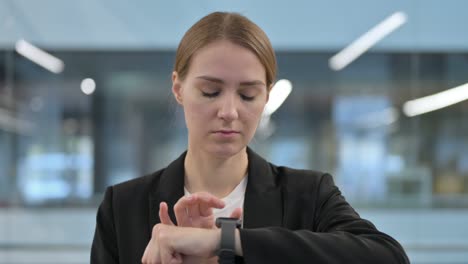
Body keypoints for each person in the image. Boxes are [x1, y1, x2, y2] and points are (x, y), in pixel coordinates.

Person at [91, 11, 409, 264]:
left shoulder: (309, 195)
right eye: (210, 92)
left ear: (267, 96)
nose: (229, 111)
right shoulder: (123, 207)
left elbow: (388, 256)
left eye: (247, 95)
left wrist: (225, 241)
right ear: (178, 88)